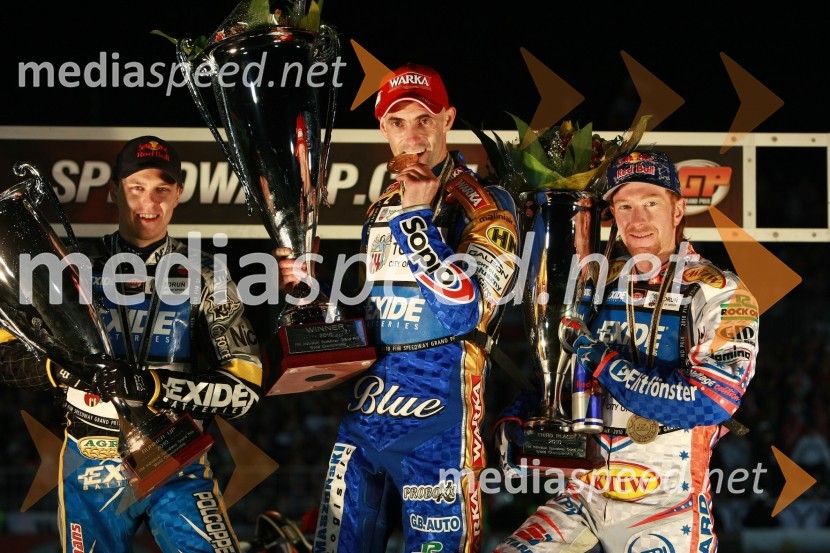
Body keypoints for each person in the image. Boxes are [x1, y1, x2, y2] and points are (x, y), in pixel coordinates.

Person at [275, 63, 520, 552]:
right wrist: (312, 294)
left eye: (424, 119)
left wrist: (417, 220)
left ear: (448, 120)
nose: (412, 136)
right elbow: (373, 310)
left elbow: (465, 312)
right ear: (382, 129)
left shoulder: (488, 204)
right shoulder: (381, 204)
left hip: (441, 412)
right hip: (370, 406)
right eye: (397, 122)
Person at [0, 135, 263, 552]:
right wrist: (59, 368)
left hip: (177, 456)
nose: (149, 201)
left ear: (178, 194)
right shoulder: (69, 268)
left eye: (162, 188)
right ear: (114, 192)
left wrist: (155, 387)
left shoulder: (209, 276)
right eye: (136, 187)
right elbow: (5, 356)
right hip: (91, 459)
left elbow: (244, 389)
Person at [494, 149, 759, 552]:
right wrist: (519, 423)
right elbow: (559, 370)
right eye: (625, 206)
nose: (637, 220)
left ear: (678, 209)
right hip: (582, 495)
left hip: (667, 505)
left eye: (651, 203)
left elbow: (710, 400)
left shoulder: (720, 291)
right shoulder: (594, 283)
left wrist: (603, 362)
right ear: (612, 215)